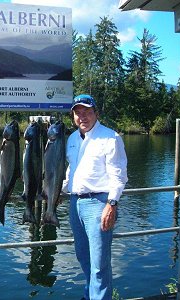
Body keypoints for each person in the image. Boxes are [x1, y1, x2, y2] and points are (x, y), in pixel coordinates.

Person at [63, 94, 128, 300]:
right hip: (75, 203)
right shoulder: (72, 139)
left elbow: (119, 176)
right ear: (73, 116)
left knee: (99, 262)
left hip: (99, 203)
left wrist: (112, 204)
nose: (83, 117)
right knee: (83, 257)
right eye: (78, 113)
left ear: (96, 113)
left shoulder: (111, 137)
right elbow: (71, 171)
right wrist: (58, 191)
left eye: (87, 112)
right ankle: (90, 295)